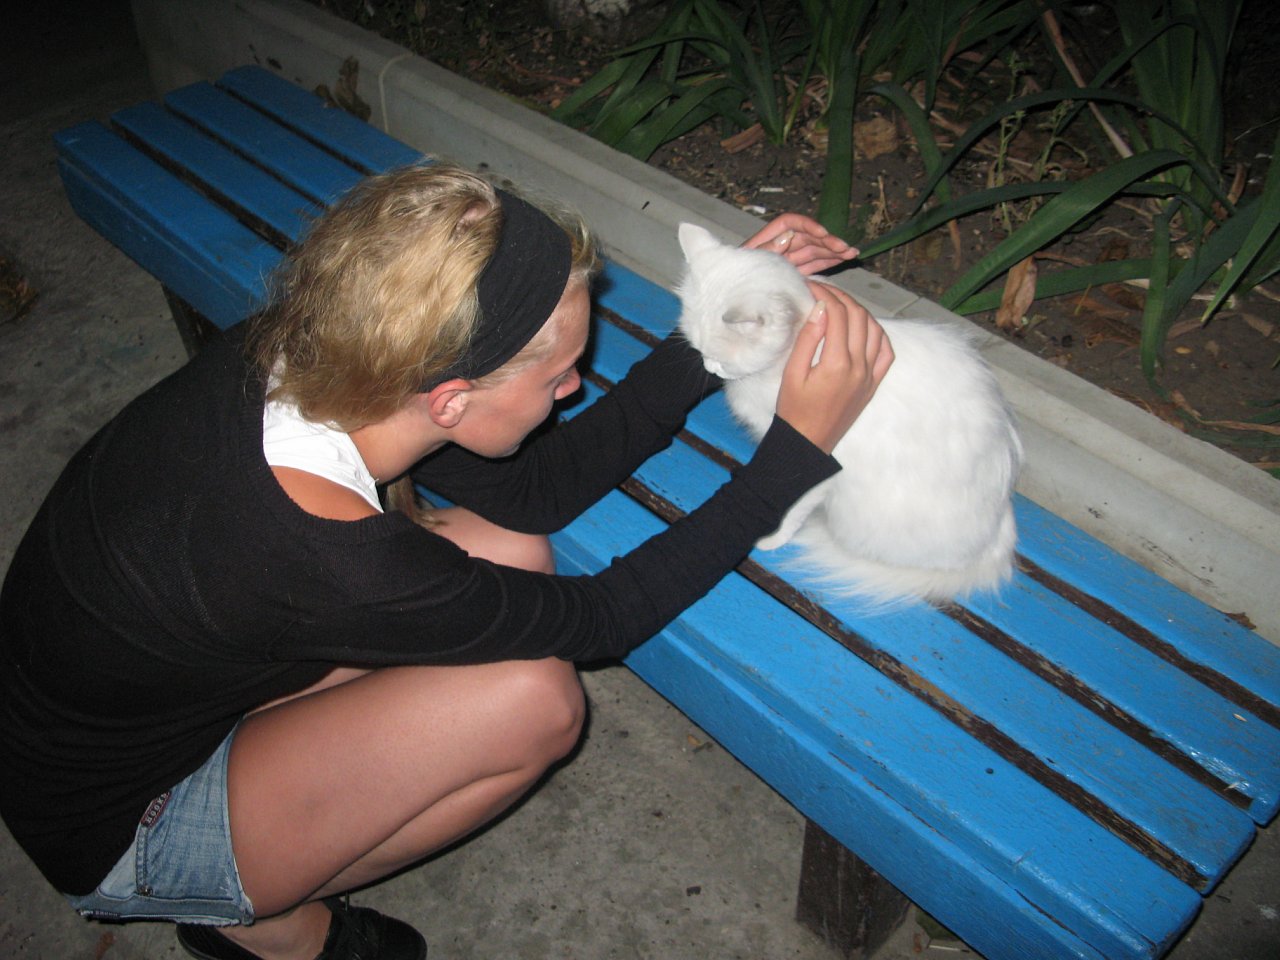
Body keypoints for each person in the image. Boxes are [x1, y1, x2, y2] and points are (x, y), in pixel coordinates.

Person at [0, 162, 893, 960]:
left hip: (147, 696)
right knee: (535, 700)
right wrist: (793, 456)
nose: (575, 387)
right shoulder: (321, 545)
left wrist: (726, 317)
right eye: (558, 377)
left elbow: (536, 493)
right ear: (453, 400)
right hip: (119, 820)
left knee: (514, 548)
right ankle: (257, 923)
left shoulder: (340, 351)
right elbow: (602, 620)